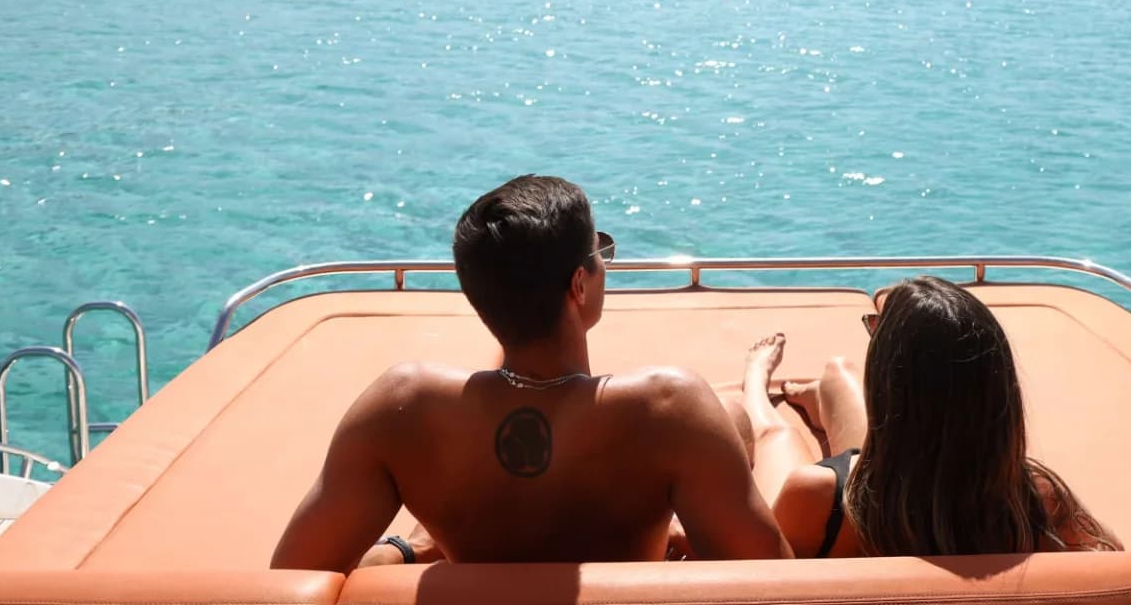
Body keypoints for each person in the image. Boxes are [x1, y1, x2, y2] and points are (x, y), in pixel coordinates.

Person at [271, 174, 789, 569]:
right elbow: (777, 583)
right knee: (736, 416)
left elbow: (289, 577)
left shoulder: (400, 408)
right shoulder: (672, 408)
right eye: (599, 250)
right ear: (579, 286)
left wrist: (404, 549)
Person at [733, 276, 1119, 558]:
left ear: (890, 384)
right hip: (901, 474)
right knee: (839, 373)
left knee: (774, 434)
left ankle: (756, 378)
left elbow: (769, 579)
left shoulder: (815, 495)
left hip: (858, 490)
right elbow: (1114, 559)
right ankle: (826, 390)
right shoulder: (1036, 498)